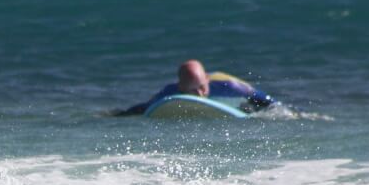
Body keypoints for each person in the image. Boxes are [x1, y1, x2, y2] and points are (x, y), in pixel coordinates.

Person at [114, 59, 275, 116]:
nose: (199, 93)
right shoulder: (171, 91)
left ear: (206, 79)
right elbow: (146, 107)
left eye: (202, 87)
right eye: (192, 90)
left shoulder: (229, 85)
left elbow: (268, 101)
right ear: (181, 87)